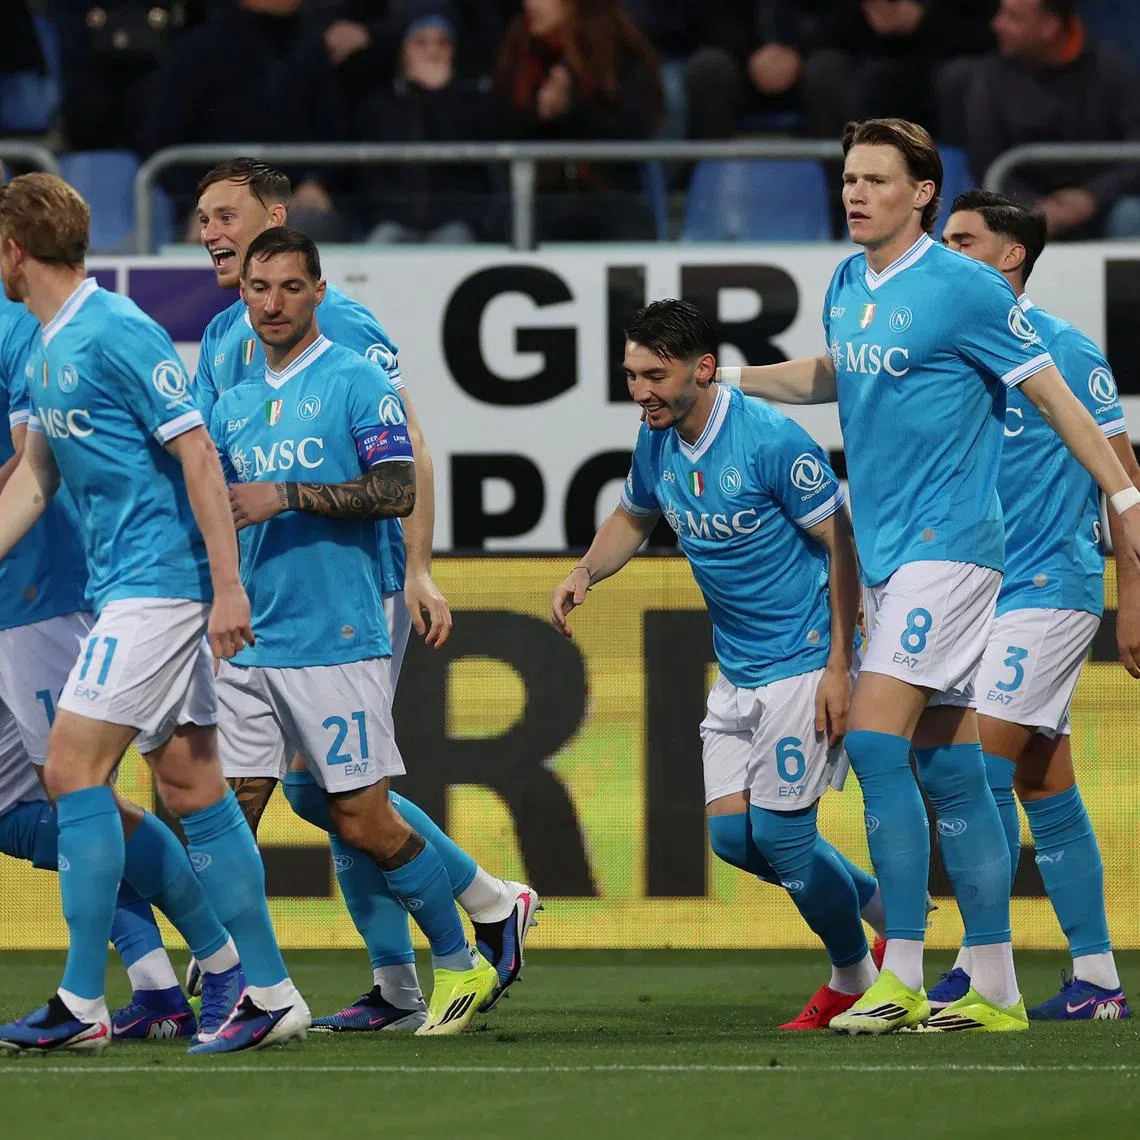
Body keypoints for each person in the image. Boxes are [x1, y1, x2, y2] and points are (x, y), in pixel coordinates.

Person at [722, 118, 1140, 1034]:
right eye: (847, 178)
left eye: (876, 179)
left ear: (923, 193)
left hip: (952, 550)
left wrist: (1128, 502)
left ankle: (902, 970)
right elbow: (841, 374)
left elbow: (1057, 400)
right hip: (887, 557)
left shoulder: (964, 288)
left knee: (876, 747)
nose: (855, 193)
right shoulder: (846, 283)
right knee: (948, 765)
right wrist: (735, 381)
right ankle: (992, 980)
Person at [187, 158, 538, 1028]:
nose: (211, 234)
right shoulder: (227, 337)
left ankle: (473, 921)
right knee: (308, 795)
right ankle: (402, 971)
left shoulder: (336, 328)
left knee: (347, 799)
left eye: (227, 215)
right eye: (201, 220)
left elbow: (408, 447)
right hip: (259, 602)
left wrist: (417, 569)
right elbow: (208, 474)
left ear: (276, 219)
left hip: (349, 589)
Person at [0, 172, 308, 1055]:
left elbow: (199, 453)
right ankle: (270, 989)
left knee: (69, 772)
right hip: (123, 591)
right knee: (191, 788)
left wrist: (226, 587)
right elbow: (31, 482)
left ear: (16, 250)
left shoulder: (115, 329)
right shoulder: (48, 345)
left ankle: (82, 1004)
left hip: (160, 588)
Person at [551, 298, 885, 1030]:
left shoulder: (770, 440)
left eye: (655, 376)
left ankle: (854, 974)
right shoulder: (657, 439)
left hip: (802, 661)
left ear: (703, 370)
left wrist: (839, 666)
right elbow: (635, 514)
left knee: (784, 836)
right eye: (632, 375)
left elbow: (843, 544)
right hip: (739, 669)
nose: (641, 391)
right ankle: (891, 913)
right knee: (735, 839)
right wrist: (585, 572)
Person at [0, 277, 246, 1045]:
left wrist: (224, 580)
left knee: (80, 787)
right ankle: (160, 987)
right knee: (22, 812)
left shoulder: (23, 332)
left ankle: (215, 970)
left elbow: (32, 468)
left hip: (40, 594)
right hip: (51, 591)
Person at [938, 189, 1137, 1020]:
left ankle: (978, 965)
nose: (945, 253)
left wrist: (1134, 600)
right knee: (1041, 781)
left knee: (973, 772)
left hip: (1048, 588)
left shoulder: (1064, 351)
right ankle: (1095, 979)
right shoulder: (950, 356)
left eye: (963, 240)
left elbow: (1123, 483)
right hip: (974, 594)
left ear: (1010, 256)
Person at [488, 0, 663, 242]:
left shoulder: (619, 50)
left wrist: (574, 110)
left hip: (608, 193)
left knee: (630, 233)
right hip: (539, 197)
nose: (529, 3)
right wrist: (540, 115)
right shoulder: (517, 50)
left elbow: (637, 127)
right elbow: (496, 129)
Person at [967, 0, 1140, 239]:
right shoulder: (989, 77)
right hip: (1024, 208)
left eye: (1013, 18)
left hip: (1102, 205)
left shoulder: (1113, 70)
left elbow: (1136, 155)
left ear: (1049, 27)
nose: (997, 24)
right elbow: (985, 162)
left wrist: (1091, 197)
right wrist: (1035, 208)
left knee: (1130, 215)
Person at [353, 1, 491, 244]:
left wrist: (439, 96)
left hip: (453, 222)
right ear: (402, 50)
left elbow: (466, 156)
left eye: (443, 43)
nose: (432, 52)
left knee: (456, 244)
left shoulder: (472, 101)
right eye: (420, 43)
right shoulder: (379, 105)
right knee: (378, 246)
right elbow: (371, 177)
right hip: (392, 221)